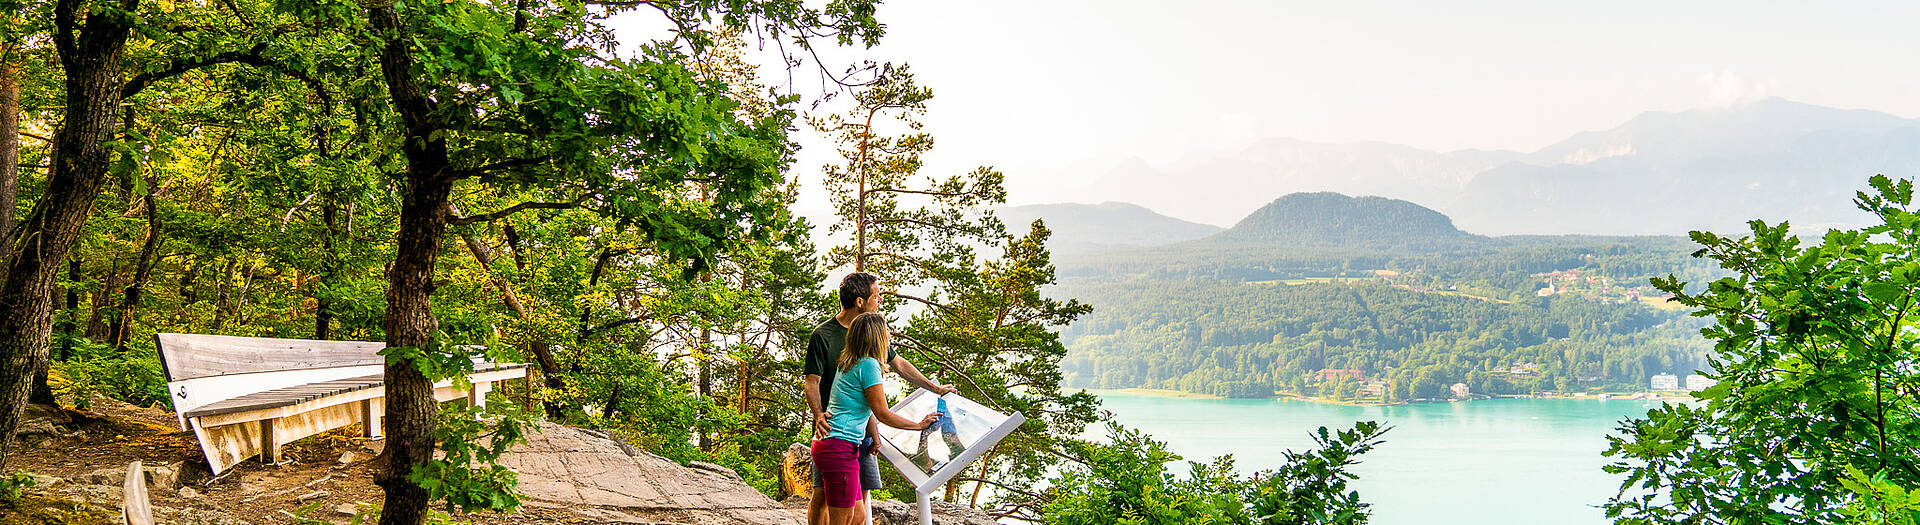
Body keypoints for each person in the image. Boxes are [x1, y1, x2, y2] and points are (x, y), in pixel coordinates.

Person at [805, 272, 954, 524]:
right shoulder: (834, 340)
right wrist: (918, 425)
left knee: (859, 511)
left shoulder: (857, 349)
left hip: (850, 437)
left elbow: (894, 372)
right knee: (827, 501)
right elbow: (813, 382)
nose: (881, 300)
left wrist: (935, 389)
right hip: (835, 435)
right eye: (877, 295)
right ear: (860, 301)